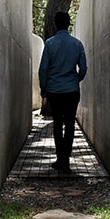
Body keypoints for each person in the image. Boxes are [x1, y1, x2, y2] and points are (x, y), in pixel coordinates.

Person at [38, 11, 87, 174]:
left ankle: (60, 158)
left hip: (55, 91)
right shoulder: (77, 44)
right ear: (68, 24)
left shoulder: (50, 44)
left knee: (58, 124)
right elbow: (84, 68)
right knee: (70, 124)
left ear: (55, 24)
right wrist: (75, 80)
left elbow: (43, 68)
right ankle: (66, 159)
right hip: (72, 90)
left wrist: (44, 88)